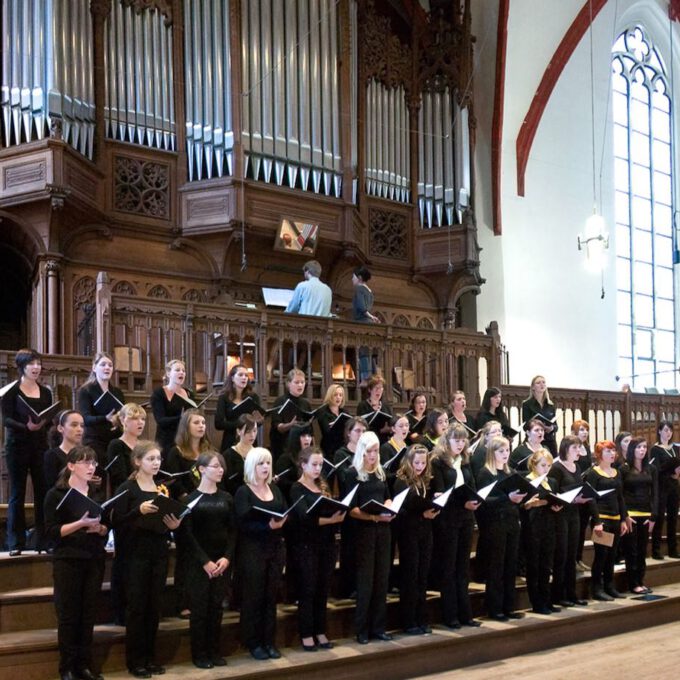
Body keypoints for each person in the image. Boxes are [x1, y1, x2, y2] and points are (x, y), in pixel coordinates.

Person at [114, 441, 182, 678]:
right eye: (151, 459)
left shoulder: (161, 488)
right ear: (137, 461)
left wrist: (173, 525)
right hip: (135, 555)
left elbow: (164, 521)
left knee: (154, 608)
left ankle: (150, 657)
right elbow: (117, 522)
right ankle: (135, 661)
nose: (156, 463)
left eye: (158, 459)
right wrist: (138, 511)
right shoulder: (127, 488)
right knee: (137, 609)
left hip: (158, 553)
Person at [44, 445, 109, 680]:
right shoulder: (56, 494)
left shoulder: (96, 495)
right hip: (68, 560)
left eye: (93, 463)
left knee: (88, 614)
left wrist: (100, 528)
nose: (91, 467)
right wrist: (80, 524)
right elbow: (51, 531)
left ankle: (84, 665)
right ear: (71, 466)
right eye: (86, 462)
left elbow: (105, 528)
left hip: (93, 559)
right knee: (69, 615)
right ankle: (68, 668)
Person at [180, 451, 236, 669]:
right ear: (202, 469)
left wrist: (226, 558)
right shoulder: (189, 499)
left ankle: (214, 650)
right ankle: (199, 653)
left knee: (216, 608)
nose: (221, 470)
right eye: (215, 466)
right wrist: (205, 561)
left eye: (221, 466)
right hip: (198, 563)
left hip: (221, 561)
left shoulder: (227, 498)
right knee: (200, 609)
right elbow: (187, 535)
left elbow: (233, 531)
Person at [289, 447, 345, 651]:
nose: (318, 468)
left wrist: (336, 515)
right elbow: (303, 518)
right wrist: (330, 520)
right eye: (314, 464)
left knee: (323, 590)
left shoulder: (323, 485)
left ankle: (320, 631)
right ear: (303, 465)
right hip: (307, 545)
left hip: (327, 543)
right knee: (308, 589)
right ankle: (306, 633)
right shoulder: (296, 488)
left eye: (320, 464)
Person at [234, 448, 287, 660]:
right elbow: (241, 524)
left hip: (274, 549)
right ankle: (253, 642)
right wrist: (268, 527)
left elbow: (283, 511)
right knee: (253, 597)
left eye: (268, 463)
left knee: (270, 597)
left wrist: (281, 522)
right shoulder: (243, 492)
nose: (265, 467)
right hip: (252, 550)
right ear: (252, 466)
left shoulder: (275, 488)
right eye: (261, 463)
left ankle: (269, 641)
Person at [2, 348, 53, 554]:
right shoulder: (11, 391)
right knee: (17, 493)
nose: (36, 367)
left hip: (40, 446)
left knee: (43, 492)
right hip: (17, 445)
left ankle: (43, 541)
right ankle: (16, 543)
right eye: (31, 364)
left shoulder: (46, 391)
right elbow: (5, 419)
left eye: (38, 363)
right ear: (22, 366)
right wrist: (26, 427)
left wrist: (47, 423)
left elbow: (49, 417)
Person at [430, 424, 481, 628]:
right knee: (449, 567)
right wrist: (462, 502)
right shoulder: (438, 462)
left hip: (466, 518)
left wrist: (476, 500)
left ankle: (466, 614)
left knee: (463, 567)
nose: (460, 444)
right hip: (448, 519)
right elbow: (439, 493)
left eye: (463, 441)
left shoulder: (465, 462)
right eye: (456, 440)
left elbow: (473, 487)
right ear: (447, 440)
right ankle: (450, 615)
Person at [346, 431, 394, 644]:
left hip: (383, 531)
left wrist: (390, 506)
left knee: (382, 579)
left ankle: (378, 627)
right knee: (366, 581)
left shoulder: (381, 472)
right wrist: (375, 516)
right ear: (362, 451)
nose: (373, 455)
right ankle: (362, 629)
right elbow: (352, 509)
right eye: (369, 451)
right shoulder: (352, 473)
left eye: (376, 451)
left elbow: (388, 496)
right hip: (363, 531)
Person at [166, 409, 213, 618]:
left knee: (205, 552)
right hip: (185, 507)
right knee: (186, 556)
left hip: (206, 508)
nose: (201, 426)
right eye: (196, 422)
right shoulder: (176, 451)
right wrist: (187, 497)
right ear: (187, 426)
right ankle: (183, 602)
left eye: (203, 422)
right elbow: (173, 481)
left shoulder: (208, 451)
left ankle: (205, 597)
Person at [475, 436, 526, 620]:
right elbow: (483, 501)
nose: (505, 454)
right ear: (492, 453)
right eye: (501, 451)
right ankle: (494, 608)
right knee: (496, 566)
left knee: (510, 565)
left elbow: (517, 496)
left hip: (512, 521)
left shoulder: (511, 472)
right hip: (495, 523)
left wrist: (521, 498)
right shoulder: (485, 474)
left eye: (507, 451)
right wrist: (508, 498)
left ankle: (508, 606)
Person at [106, 402, 147, 626]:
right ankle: (120, 610)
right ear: (123, 421)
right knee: (124, 560)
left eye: (142, 419)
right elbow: (118, 476)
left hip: (144, 504)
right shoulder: (116, 445)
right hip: (125, 506)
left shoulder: (144, 446)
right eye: (134, 418)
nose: (140, 423)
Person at [393, 444, 438, 635]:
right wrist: (422, 513)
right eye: (416, 462)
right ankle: (409, 621)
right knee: (410, 576)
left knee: (422, 575)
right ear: (409, 462)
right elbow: (399, 510)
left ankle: (422, 619)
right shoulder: (401, 481)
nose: (420, 466)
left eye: (423, 462)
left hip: (425, 532)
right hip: (408, 532)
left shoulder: (424, 481)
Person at [549, 435, 591, 607]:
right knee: (562, 555)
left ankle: (571, 593)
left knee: (572, 555)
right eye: (575, 448)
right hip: (560, 514)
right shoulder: (557, 468)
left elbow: (578, 488)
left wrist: (582, 497)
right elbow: (553, 492)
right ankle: (558, 595)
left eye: (579, 448)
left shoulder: (577, 466)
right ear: (565, 449)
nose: (578, 451)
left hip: (574, 513)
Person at [77, 352, 124, 499]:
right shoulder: (86, 390)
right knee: (99, 481)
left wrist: (119, 420)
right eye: (103, 364)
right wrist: (105, 418)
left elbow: (122, 413)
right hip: (94, 440)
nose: (107, 368)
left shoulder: (117, 392)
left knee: (118, 478)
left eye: (110, 365)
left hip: (114, 439)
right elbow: (85, 418)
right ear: (94, 368)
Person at [584, 440, 628, 601]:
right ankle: (597, 588)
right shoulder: (593, 473)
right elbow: (591, 498)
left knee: (612, 555)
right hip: (602, 519)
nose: (612, 454)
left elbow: (620, 497)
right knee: (601, 555)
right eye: (608, 451)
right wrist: (596, 522)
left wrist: (623, 519)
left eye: (613, 451)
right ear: (599, 454)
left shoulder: (617, 472)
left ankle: (609, 586)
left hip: (616, 519)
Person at [523, 449, 562, 614]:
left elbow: (553, 499)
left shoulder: (551, 482)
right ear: (534, 465)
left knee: (546, 565)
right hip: (533, 527)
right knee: (534, 566)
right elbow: (523, 506)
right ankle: (537, 602)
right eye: (543, 465)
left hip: (549, 525)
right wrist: (531, 504)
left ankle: (547, 600)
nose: (546, 469)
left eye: (549, 465)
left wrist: (557, 505)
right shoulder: (527, 481)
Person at [333, 416, 367, 598]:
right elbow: (344, 478)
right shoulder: (341, 454)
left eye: (363, 431)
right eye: (357, 431)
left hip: (366, 501)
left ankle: (362, 585)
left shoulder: (368, 452)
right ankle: (348, 587)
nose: (360, 434)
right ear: (348, 433)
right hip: (350, 503)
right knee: (350, 548)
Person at [621, 437, 658, 594]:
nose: (642, 450)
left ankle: (640, 581)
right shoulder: (624, 469)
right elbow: (620, 494)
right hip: (631, 514)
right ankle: (633, 583)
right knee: (632, 550)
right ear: (632, 450)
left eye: (644, 447)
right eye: (638, 447)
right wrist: (625, 516)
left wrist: (653, 516)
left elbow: (655, 493)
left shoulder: (651, 469)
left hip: (646, 513)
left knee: (642, 550)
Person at [150, 359, 196, 460]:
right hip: (166, 439)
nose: (181, 373)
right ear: (168, 373)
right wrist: (181, 418)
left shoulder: (189, 394)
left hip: (184, 439)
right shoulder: (159, 393)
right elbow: (160, 420)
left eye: (183, 371)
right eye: (177, 370)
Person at [214, 363, 263, 453]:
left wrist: (259, 420)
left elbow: (258, 422)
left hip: (249, 440)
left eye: (246, 375)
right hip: (230, 440)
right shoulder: (224, 397)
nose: (244, 377)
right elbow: (218, 423)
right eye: (240, 375)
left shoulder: (253, 397)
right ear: (232, 378)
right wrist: (240, 425)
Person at [649, 420, 680, 559]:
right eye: (666, 430)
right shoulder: (656, 449)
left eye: (670, 430)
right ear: (659, 431)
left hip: (674, 485)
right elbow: (656, 469)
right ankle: (656, 551)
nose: (668, 433)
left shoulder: (676, 448)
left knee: (673, 518)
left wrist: (677, 472)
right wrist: (671, 465)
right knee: (660, 518)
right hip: (661, 486)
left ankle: (673, 549)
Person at [268, 368, 312, 460]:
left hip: (301, 449)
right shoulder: (280, 401)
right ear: (288, 384)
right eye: (296, 382)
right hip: (283, 447)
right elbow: (277, 427)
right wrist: (290, 425)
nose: (300, 385)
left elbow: (311, 431)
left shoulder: (306, 404)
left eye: (302, 382)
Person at [352, 266, 379, 384]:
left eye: (353, 277)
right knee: (369, 351)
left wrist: (369, 316)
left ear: (359, 278)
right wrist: (371, 317)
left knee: (363, 351)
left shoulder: (359, 289)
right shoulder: (369, 291)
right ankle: (373, 377)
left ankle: (365, 379)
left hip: (362, 323)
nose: (351, 279)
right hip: (369, 323)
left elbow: (362, 307)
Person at [44, 410, 84, 491]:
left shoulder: (86, 454)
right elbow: (52, 487)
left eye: (82, 425)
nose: (79, 429)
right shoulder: (52, 455)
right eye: (74, 425)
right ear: (60, 428)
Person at [572, 419, 593, 573]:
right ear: (574, 432)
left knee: (583, 527)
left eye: (586, 429)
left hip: (585, 491)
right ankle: (573, 559)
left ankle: (579, 558)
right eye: (581, 430)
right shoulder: (573, 448)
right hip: (575, 491)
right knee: (576, 529)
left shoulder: (586, 447)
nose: (585, 432)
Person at [223, 414, 258, 496]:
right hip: (235, 495)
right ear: (238, 431)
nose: (252, 435)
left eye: (255, 430)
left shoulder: (259, 453)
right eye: (248, 431)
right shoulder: (228, 455)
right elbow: (226, 482)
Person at [522, 375, 557, 455]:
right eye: (538, 383)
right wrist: (537, 427)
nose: (542, 384)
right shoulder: (527, 404)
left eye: (543, 382)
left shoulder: (550, 405)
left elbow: (556, 426)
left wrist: (551, 428)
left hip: (549, 440)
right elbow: (525, 425)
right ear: (533, 387)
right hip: (534, 440)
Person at [315, 383, 350, 459]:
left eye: (340, 395)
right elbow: (326, 430)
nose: (338, 397)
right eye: (335, 395)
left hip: (343, 446)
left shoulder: (344, 412)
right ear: (330, 396)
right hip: (329, 448)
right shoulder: (323, 411)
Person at [356, 374, 393, 443]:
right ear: (370, 390)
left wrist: (390, 429)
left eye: (381, 388)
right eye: (376, 388)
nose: (378, 390)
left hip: (383, 442)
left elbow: (391, 423)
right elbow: (361, 426)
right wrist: (380, 430)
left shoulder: (386, 406)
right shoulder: (362, 406)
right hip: (368, 441)